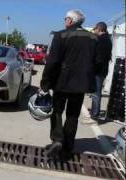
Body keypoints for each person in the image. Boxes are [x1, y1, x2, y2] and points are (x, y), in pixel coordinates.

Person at [39, 10, 100, 159]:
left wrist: (45, 83)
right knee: (73, 115)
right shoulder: (93, 38)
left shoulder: (61, 35)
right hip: (80, 85)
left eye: (66, 18)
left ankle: (57, 140)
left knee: (57, 111)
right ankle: (67, 148)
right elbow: (97, 62)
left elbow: (52, 62)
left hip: (62, 82)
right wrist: (91, 83)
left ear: (71, 21)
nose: (65, 21)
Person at [90, 22, 112, 119]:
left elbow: (99, 58)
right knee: (96, 93)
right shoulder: (107, 39)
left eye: (95, 28)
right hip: (102, 70)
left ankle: (95, 114)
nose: (94, 30)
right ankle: (94, 111)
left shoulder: (102, 40)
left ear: (99, 29)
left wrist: (92, 67)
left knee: (96, 93)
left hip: (99, 71)